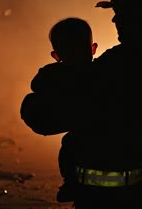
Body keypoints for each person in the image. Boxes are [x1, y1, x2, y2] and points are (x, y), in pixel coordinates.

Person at [21, 0, 142, 209]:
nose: (114, 20)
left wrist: (31, 102)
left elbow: (48, 118)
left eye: (119, 14)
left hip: (104, 199)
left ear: (135, 15)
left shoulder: (118, 65)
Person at [23, 17, 97, 202]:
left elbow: (37, 84)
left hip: (90, 136)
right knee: (71, 145)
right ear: (93, 48)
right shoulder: (98, 71)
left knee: (71, 145)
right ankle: (72, 183)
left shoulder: (57, 73)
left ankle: (71, 183)